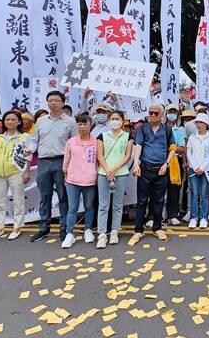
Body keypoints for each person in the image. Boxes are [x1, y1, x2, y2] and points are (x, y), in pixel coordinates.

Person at [25, 91, 77, 243]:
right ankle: (44, 227)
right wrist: (30, 149)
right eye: (50, 100)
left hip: (62, 161)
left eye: (56, 100)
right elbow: (34, 140)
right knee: (44, 195)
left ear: (62, 103)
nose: (53, 103)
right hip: (43, 161)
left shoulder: (70, 121)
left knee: (63, 196)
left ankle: (64, 228)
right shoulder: (41, 121)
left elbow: (73, 143)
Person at [129, 103, 176, 245]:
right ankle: (138, 229)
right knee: (142, 200)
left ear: (162, 115)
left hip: (161, 169)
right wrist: (136, 163)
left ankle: (157, 227)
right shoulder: (142, 128)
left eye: (156, 113)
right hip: (145, 168)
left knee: (159, 200)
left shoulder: (167, 130)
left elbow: (172, 148)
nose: (153, 115)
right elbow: (138, 146)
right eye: (151, 112)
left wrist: (167, 163)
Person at [0, 110, 30, 241]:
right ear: (4, 122)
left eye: (13, 119)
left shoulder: (24, 137)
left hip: (16, 172)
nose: (10, 122)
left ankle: (17, 227)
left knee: (18, 200)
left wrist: (27, 171)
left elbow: (28, 156)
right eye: (7, 119)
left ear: (19, 122)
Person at [96, 110, 133, 248]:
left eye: (117, 118)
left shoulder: (128, 137)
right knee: (103, 205)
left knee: (118, 205)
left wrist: (114, 170)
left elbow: (127, 156)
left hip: (121, 173)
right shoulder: (102, 136)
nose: (115, 121)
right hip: (103, 174)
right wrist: (107, 170)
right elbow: (100, 155)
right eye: (112, 118)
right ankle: (101, 234)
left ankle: (114, 232)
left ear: (122, 121)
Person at [62, 114, 98, 248]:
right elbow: (66, 160)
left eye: (85, 124)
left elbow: (99, 160)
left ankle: (88, 229)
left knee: (89, 206)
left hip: (90, 179)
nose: (82, 127)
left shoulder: (96, 142)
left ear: (90, 125)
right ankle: (69, 233)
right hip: (73, 179)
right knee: (72, 208)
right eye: (80, 124)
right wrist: (65, 173)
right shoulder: (71, 141)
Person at [187, 113, 209, 228]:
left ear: (206, 125)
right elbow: (189, 153)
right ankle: (194, 218)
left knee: (204, 194)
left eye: (201, 122)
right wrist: (195, 167)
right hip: (193, 169)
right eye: (197, 122)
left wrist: (203, 168)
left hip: (206, 170)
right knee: (194, 194)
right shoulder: (192, 137)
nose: (198, 124)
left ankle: (204, 217)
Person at [165, 103, 186, 226]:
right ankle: (157, 215)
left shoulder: (180, 130)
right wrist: (173, 148)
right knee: (159, 189)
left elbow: (182, 148)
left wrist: (172, 149)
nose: (172, 114)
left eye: (174, 111)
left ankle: (173, 214)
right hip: (161, 160)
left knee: (174, 188)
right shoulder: (161, 127)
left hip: (175, 161)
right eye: (170, 111)